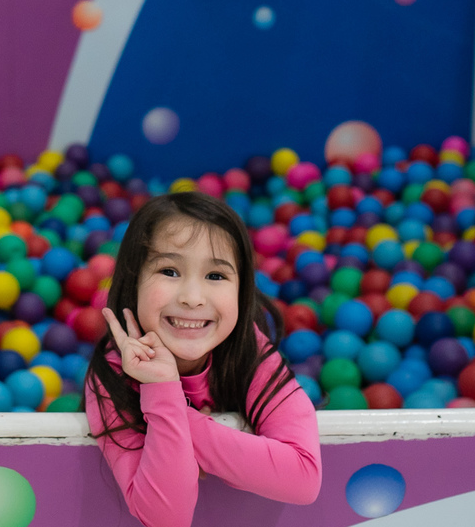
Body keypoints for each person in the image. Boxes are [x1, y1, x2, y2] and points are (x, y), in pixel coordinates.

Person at [83, 191, 321, 527]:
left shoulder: (249, 350)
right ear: (134, 281)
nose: (193, 298)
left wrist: (175, 416)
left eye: (215, 276)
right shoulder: (112, 374)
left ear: (242, 289)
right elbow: (166, 518)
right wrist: (159, 384)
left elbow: (303, 478)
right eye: (169, 271)